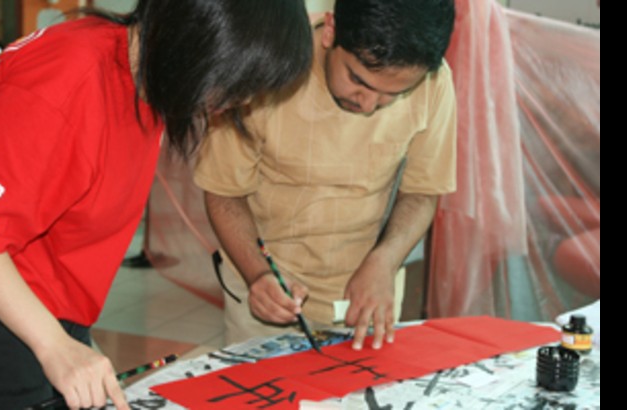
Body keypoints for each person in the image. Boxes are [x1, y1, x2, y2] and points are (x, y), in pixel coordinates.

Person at [0, 0, 312, 409]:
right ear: (195, 39)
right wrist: (53, 346)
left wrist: (74, 340)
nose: (239, 102)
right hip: (2, 319)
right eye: (235, 83)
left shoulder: (138, 77)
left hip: (40, 309)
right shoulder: (68, 81)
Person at [195, 0, 457, 352]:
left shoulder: (434, 82)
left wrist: (384, 261)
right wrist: (258, 274)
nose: (367, 105)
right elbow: (224, 192)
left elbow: (423, 192)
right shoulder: (268, 63)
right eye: (358, 80)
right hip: (265, 286)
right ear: (330, 31)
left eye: (394, 95)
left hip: (367, 293)